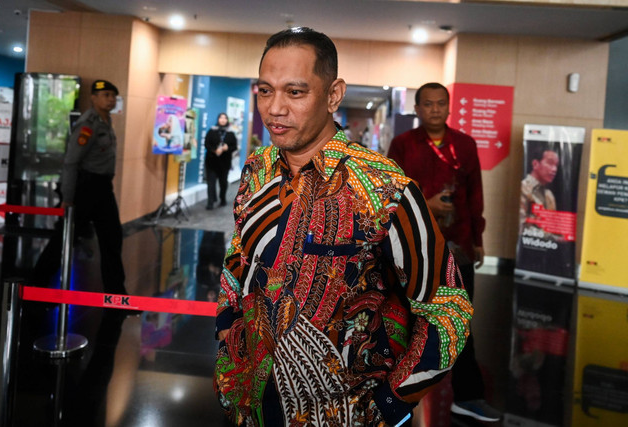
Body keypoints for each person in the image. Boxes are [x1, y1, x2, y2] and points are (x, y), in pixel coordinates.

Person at [214, 28, 473, 427]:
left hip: (345, 415)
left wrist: (391, 403)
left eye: (295, 92)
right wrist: (228, 370)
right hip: (252, 407)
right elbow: (238, 270)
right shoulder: (257, 168)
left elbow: (448, 308)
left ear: (333, 94)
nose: (275, 109)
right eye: (265, 90)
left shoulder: (383, 187)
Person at [387, 82, 500, 423]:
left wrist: (477, 237)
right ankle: (393, 396)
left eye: (441, 104)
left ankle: (468, 397)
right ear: (417, 109)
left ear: (449, 108)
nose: (435, 110)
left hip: (459, 243)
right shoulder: (403, 144)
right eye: (428, 104)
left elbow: (475, 193)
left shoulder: (464, 144)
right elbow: (391, 189)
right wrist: (427, 203)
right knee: (404, 319)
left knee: (461, 322)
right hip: (415, 246)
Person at [33, 79, 128, 298]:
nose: (110, 99)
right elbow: (71, 161)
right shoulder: (88, 123)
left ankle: (116, 294)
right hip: (85, 188)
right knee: (64, 240)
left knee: (112, 238)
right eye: (105, 95)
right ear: (94, 97)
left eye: (113, 96)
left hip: (103, 188)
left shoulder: (107, 120)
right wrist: (67, 196)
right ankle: (35, 290)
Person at [204, 112, 237, 210]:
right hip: (211, 161)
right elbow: (206, 144)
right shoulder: (212, 131)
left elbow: (234, 146)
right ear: (218, 119)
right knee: (211, 183)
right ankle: (210, 202)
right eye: (221, 118)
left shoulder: (230, 133)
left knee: (223, 183)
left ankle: (222, 198)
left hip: (224, 162)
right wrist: (214, 150)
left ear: (227, 120)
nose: (223, 120)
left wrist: (227, 148)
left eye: (225, 118)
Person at [519, 147, 559, 225]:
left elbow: (551, 226)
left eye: (556, 165)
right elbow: (521, 224)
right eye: (550, 163)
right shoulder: (521, 188)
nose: (554, 169)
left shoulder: (549, 195)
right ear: (535, 164)